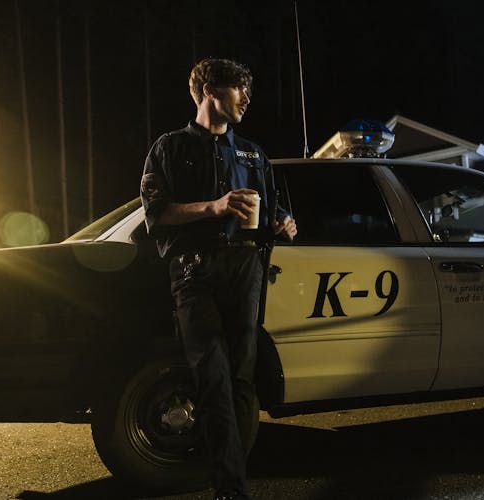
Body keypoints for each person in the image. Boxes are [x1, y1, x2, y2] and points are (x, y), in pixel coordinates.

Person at [140, 58, 296, 500]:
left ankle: (233, 481)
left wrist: (284, 222)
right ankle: (230, 488)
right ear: (210, 90)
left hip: (245, 267)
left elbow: (274, 207)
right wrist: (214, 206)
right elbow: (158, 214)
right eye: (237, 90)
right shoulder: (168, 148)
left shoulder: (252, 151)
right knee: (212, 376)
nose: (246, 99)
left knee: (243, 379)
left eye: (248, 91)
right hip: (194, 271)